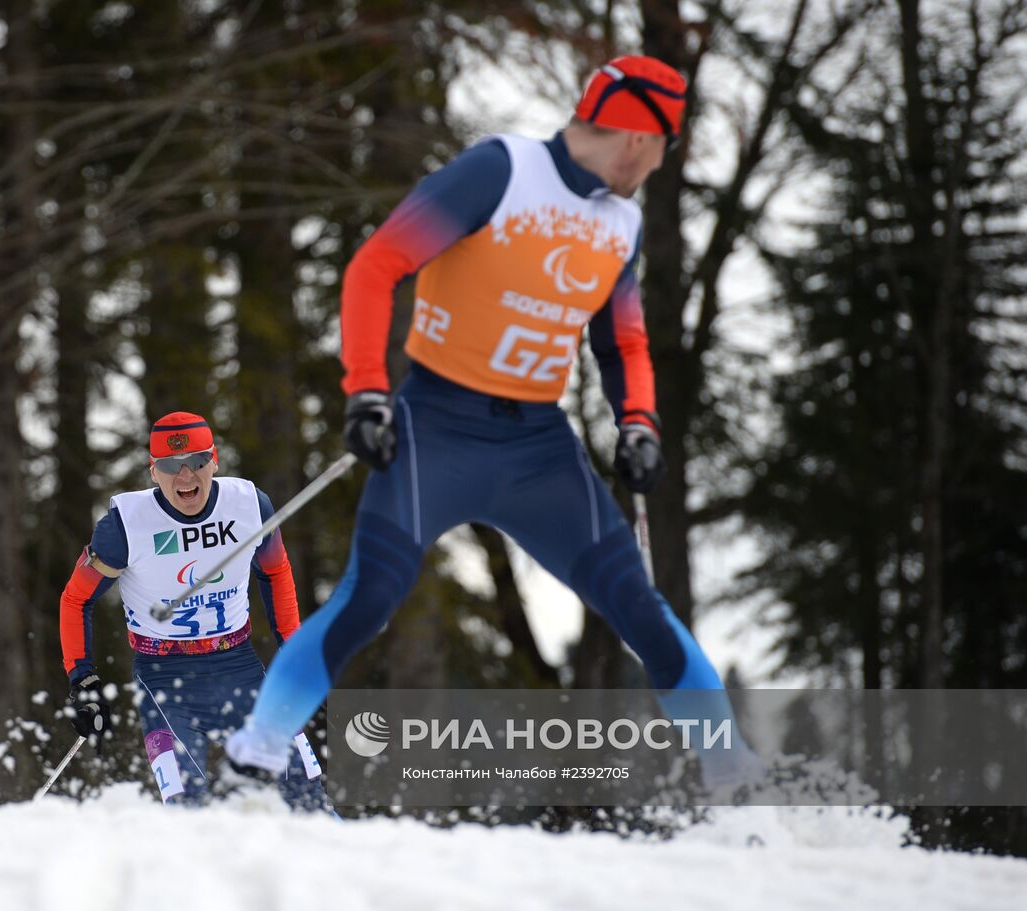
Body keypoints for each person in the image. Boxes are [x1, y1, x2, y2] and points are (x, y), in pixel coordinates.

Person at [227, 55, 759, 789]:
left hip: (538, 450)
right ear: (642, 138)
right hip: (434, 427)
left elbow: (622, 339)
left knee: (637, 602)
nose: (662, 163)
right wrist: (368, 394)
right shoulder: (500, 171)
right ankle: (257, 750)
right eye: (667, 147)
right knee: (371, 594)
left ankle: (736, 775)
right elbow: (376, 266)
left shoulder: (621, 224)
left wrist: (639, 422)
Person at [59, 411, 331, 809]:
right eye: (171, 466)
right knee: (189, 807)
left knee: (308, 797)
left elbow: (275, 571)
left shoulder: (250, 505)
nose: (186, 477)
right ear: (154, 471)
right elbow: (76, 598)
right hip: (164, 679)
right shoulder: (125, 527)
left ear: (214, 460)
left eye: (197, 462)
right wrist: (83, 682)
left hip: (239, 667)